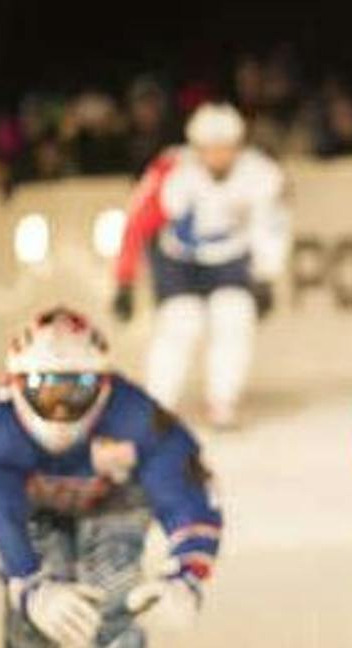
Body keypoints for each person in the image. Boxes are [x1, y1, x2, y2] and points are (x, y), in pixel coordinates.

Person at [0, 307, 222, 648]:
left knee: (116, 593)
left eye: (77, 389)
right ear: (16, 385)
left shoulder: (137, 416)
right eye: (46, 389)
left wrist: (186, 577)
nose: (60, 406)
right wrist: (29, 583)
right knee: (37, 607)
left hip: (113, 504)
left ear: (105, 384)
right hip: (36, 514)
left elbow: (190, 492)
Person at [111, 102, 291, 429]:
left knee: (234, 314)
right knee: (182, 320)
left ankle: (223, 401)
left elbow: (272, 226)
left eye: (227, 149)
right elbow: (138, 221)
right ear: (196, 148)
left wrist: (266, 276)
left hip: (230, 258)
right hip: (177, 259)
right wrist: (124, 279)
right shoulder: (172, 170)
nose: (219, 158)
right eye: (210, 150)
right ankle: (158, 406)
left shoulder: (261, 174)